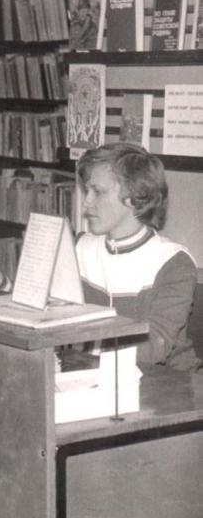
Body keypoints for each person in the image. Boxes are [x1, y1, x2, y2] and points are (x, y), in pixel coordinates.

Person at [75, 141, 200, 371]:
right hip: (99, 375)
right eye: (87, 191)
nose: (86, 202)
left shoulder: (173, 263)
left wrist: (72, 339)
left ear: (134, 197)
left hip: (169, 382)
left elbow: (152, 348)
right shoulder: (78, 247)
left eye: (97, 192)